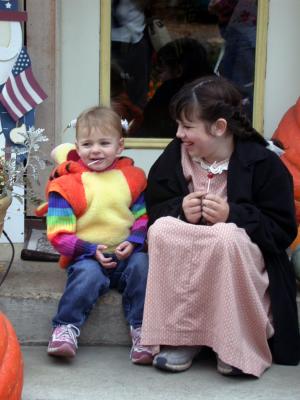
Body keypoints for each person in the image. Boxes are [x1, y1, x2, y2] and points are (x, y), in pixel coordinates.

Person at [141, 76, 300, 377]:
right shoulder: (175, 156)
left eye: (187, 127)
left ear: (219, 127)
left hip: (245, 259)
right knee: (161, 229)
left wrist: (233, 214)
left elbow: (282, 231)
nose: (179, 134)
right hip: (190, 251)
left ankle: (234, 343)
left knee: (225, 236)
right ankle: (181, 338)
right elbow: (155, 207)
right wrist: (179, 210)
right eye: (178, 125)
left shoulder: (263, 164)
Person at [44, 106, 155, 365]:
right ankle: (65, 328)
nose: (95, 150)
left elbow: (142, 216)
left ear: (119, 146)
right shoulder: (68, 184)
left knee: (143, 266)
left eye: (104, 143)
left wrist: (135, 240)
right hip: (86, 255)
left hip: (126, 253)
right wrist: (88, 249)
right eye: (87, 144)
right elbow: (58, 234)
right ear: (77, 147)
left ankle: (142, 331)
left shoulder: (131, 178)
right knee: (87, 275)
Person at [135, 37, 212, 138]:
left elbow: (148, 128)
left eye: (160, 71)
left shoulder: (168, 92)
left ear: (178, 70)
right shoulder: (218, 89)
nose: (158, 77)